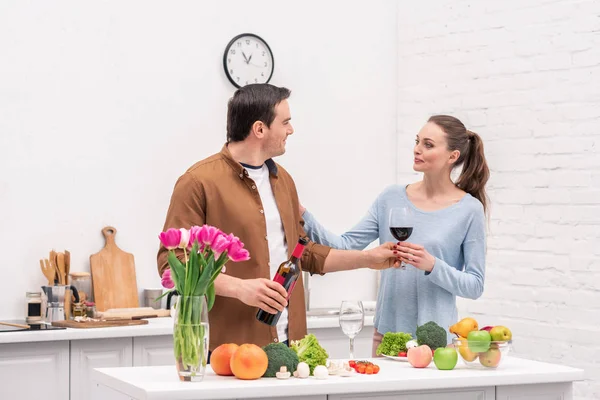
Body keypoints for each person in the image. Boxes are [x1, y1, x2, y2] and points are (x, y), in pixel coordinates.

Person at [157, 83, 401, 353]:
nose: (291, 130)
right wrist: (240, 288)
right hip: (229, 349)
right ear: (260, 129)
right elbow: (172, 263)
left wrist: (368, 259)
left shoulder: (283, 181)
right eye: (285, 122)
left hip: (290, 344)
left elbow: (303, 253)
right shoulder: (197, 182)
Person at [300, 115, 490, 356]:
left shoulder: (469, 209)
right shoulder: (391, 198)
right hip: (388, 336)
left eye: (428, 145)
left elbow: (475, 285)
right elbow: (345, 244)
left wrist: (432, 265)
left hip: (437, 342)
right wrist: (303, 215)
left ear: (453, 156)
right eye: (417, 141)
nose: (417, 149)